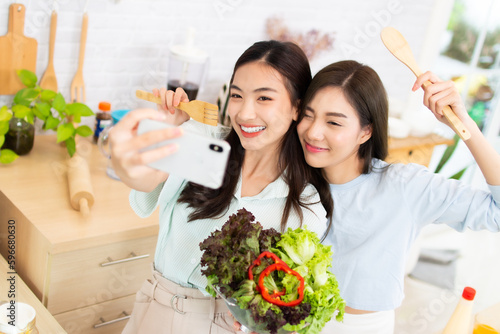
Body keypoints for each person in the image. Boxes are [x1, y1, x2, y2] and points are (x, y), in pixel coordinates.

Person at [109, 40, 333, 334]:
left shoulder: (305, 209)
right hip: (153, 308)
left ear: (296, 108)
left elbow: (285, 304)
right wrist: (156, 136)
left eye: (264, 99)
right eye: (237, 95)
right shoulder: (201, 141)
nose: (244, 113)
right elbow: (143, 179)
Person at [295, 60, 500, 333]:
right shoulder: (290, 179)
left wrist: (465, 124)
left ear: (366, 131)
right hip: (290, 321)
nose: (313, 131)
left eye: (333, 122)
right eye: (308, 115)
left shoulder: (404, 186)